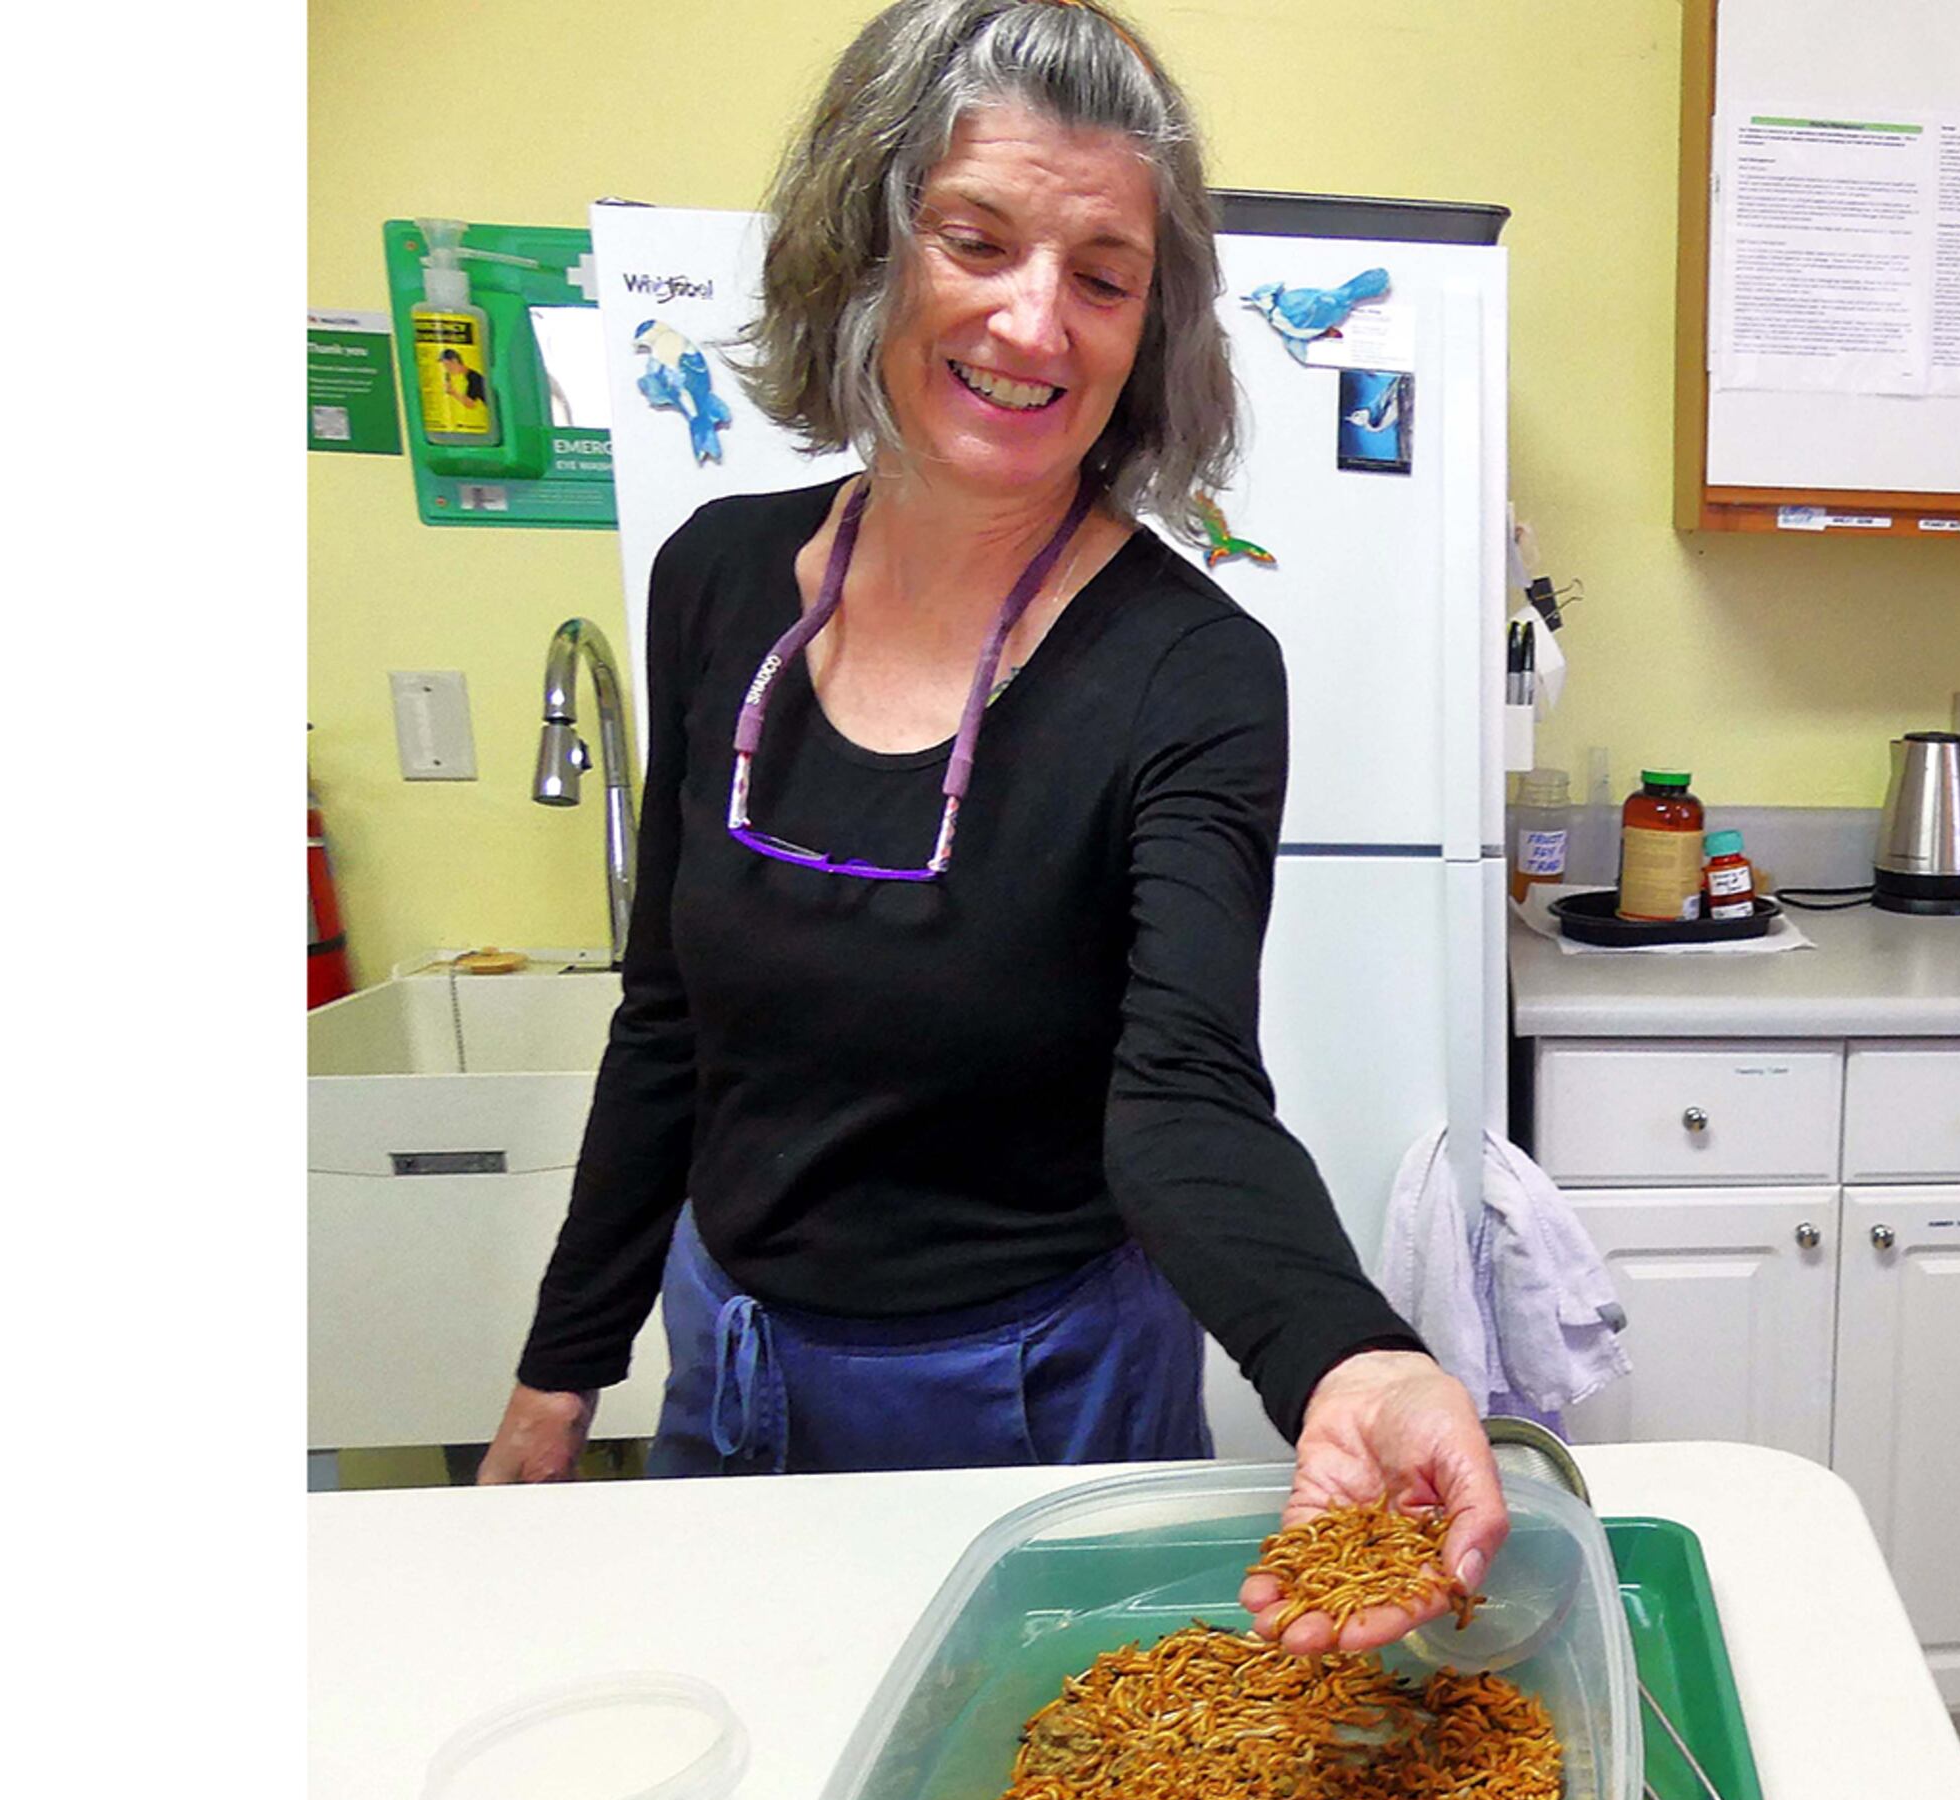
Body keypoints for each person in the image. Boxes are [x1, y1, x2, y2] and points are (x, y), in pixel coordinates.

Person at [477, 0, 1501, 1656]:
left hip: (1039, 1396)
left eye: (1103, 275)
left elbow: (1180, 1092)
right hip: (728, 1363)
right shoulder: (720, 582)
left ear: (1147, 329)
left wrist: (1350, 1353)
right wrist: (560, 1367)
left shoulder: (1194, 671)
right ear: (868, 248)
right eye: (979, 238)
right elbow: (668, 1020)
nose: (1038, 322)